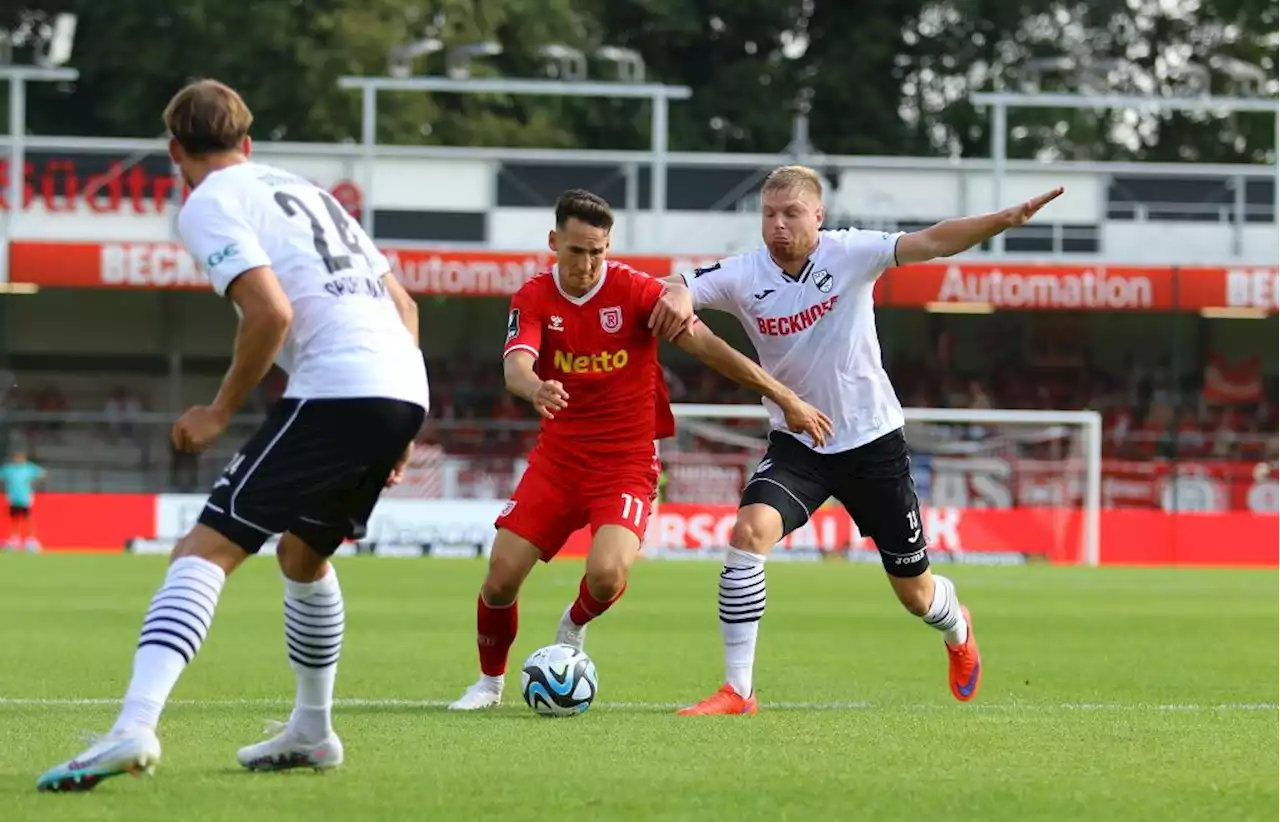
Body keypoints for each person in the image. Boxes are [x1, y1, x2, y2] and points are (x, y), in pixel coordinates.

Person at [37, 78, 429, 791]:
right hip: (400, 385)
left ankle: (132, 726)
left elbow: (270, 314)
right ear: (247, 143)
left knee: (205, 548)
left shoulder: (207, 201)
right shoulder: (306, 189)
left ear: (174, 152)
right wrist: (401, 424)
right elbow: (404, 303)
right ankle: (312, 731)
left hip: (341, 383)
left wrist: (218, 410)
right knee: (303, 558)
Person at [648, 165, 1063, 715]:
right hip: (800, 443)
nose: (778, 225)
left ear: (818, 216)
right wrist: (677, 292)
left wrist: (1004, 219)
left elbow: (934, 240)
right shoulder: (743, 274)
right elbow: (683, 283)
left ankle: (957, 626)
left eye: (791, 213)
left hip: (873, 442)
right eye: (769, 214)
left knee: (915, 594)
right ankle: (739, 690)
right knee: (748, 532)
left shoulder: (851, 252)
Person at [447, 189, 833, 711]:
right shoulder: (534, 297)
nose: (586, 264)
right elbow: (516, 363)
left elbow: (710, 348)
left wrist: (784, 396)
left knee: (606, 575)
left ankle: (572, 625)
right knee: (500, 579)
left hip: (626, 461)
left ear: (608, 247)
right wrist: (534, 386)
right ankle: (488, 684)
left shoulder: (636, 293)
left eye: (597, 252)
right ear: (553, 243)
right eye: (576, 251)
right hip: (558, 460)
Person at [1, 450, 46, 551]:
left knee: (27, 518)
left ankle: (31, 540)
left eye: (20, 457)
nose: (18, 459)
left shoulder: (29, 468)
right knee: (14, 518)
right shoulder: (9, 469)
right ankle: (15, 539)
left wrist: (33, 481)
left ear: (24, 458)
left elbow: (43, 474)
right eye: (16, 457)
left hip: (25, 498)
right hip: (13, 498)